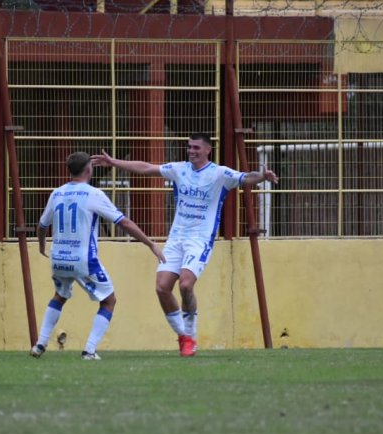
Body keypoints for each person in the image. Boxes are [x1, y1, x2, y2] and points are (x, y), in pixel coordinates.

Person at [91, 134, 278, 357]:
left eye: (196, 147)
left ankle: (190, 333)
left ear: (208, 150)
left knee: (186, 285)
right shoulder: (179, 169)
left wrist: (262, 176)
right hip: (176, 238)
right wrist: (114, 162)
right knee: (162, 287)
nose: (191, 151)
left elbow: (246, 178)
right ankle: (184, 337)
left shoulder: (219, 173)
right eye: (189, 147)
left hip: (199, 240)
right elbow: (146, 168)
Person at [30, 151, 165, 360]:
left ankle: (39, 344)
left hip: (58, 258)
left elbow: (41, 225)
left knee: (60, 295)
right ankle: (89, 350)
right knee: (109, 300)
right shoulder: (94, 194)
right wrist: (151, 244)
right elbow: (124, 223)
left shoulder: (56, 193)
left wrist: (41, 246)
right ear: (88, 170)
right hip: (83, 260)